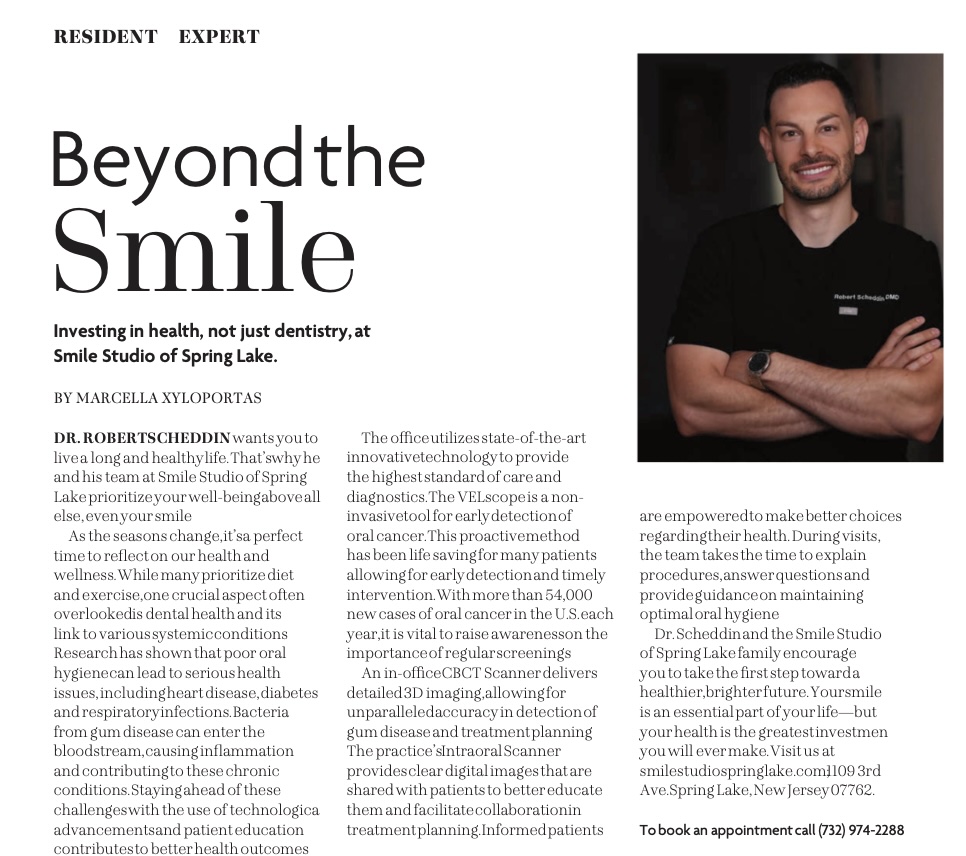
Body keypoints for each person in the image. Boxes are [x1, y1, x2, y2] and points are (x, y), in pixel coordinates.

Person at [665, 61, 943, 461]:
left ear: (858, 135)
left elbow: (921, 414)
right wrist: (867, 391)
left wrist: (767, 367)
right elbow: (694, 408)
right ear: (767, 145)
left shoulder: (910, 258)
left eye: (827, 128)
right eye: (790, 133)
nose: (810, 149)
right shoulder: (721, 249)